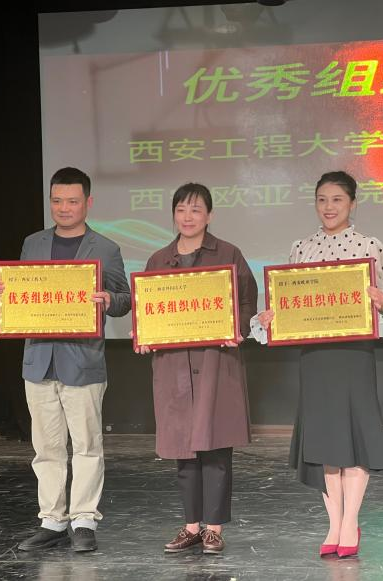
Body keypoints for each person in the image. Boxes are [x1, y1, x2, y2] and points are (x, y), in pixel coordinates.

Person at [252, 171, 383, 559]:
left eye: (337, 199)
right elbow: (288, 301)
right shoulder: (301, 248)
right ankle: (334, 523)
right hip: (315, 356)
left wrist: (381, 300)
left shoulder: (370, 245)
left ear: (352, 203)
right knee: (325, 440)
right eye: (321, 200)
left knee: (354, 437)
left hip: (353, 354)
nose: (328, 207)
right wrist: (271, 318)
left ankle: (351, 522)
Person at [0, 167, 131, 552]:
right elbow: (24, 294)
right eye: (56, 200)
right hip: (38, 360)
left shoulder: (105, 248)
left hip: (82, 360)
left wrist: (108, 299)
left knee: (86, 445)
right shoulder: (33, 243)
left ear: (88, 202)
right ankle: (52, 521)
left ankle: (84, 521)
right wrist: (4, 293)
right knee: (47, 448)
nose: (63, 208)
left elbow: (125, 301)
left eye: (71, 201)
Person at [135, 183, 258, 555]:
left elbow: (247, 302)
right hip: (173, 365)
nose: (188, 217)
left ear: (210, 215)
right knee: (183, 448)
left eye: (196, 210)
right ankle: (191, 526)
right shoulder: (159, 259)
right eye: (181, 210)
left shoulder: (229, 254)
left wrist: (236, 328)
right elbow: (147, 308)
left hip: (215, 361)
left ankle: (213, 529)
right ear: (173, 214)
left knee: (216, 446)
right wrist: (143, 334)